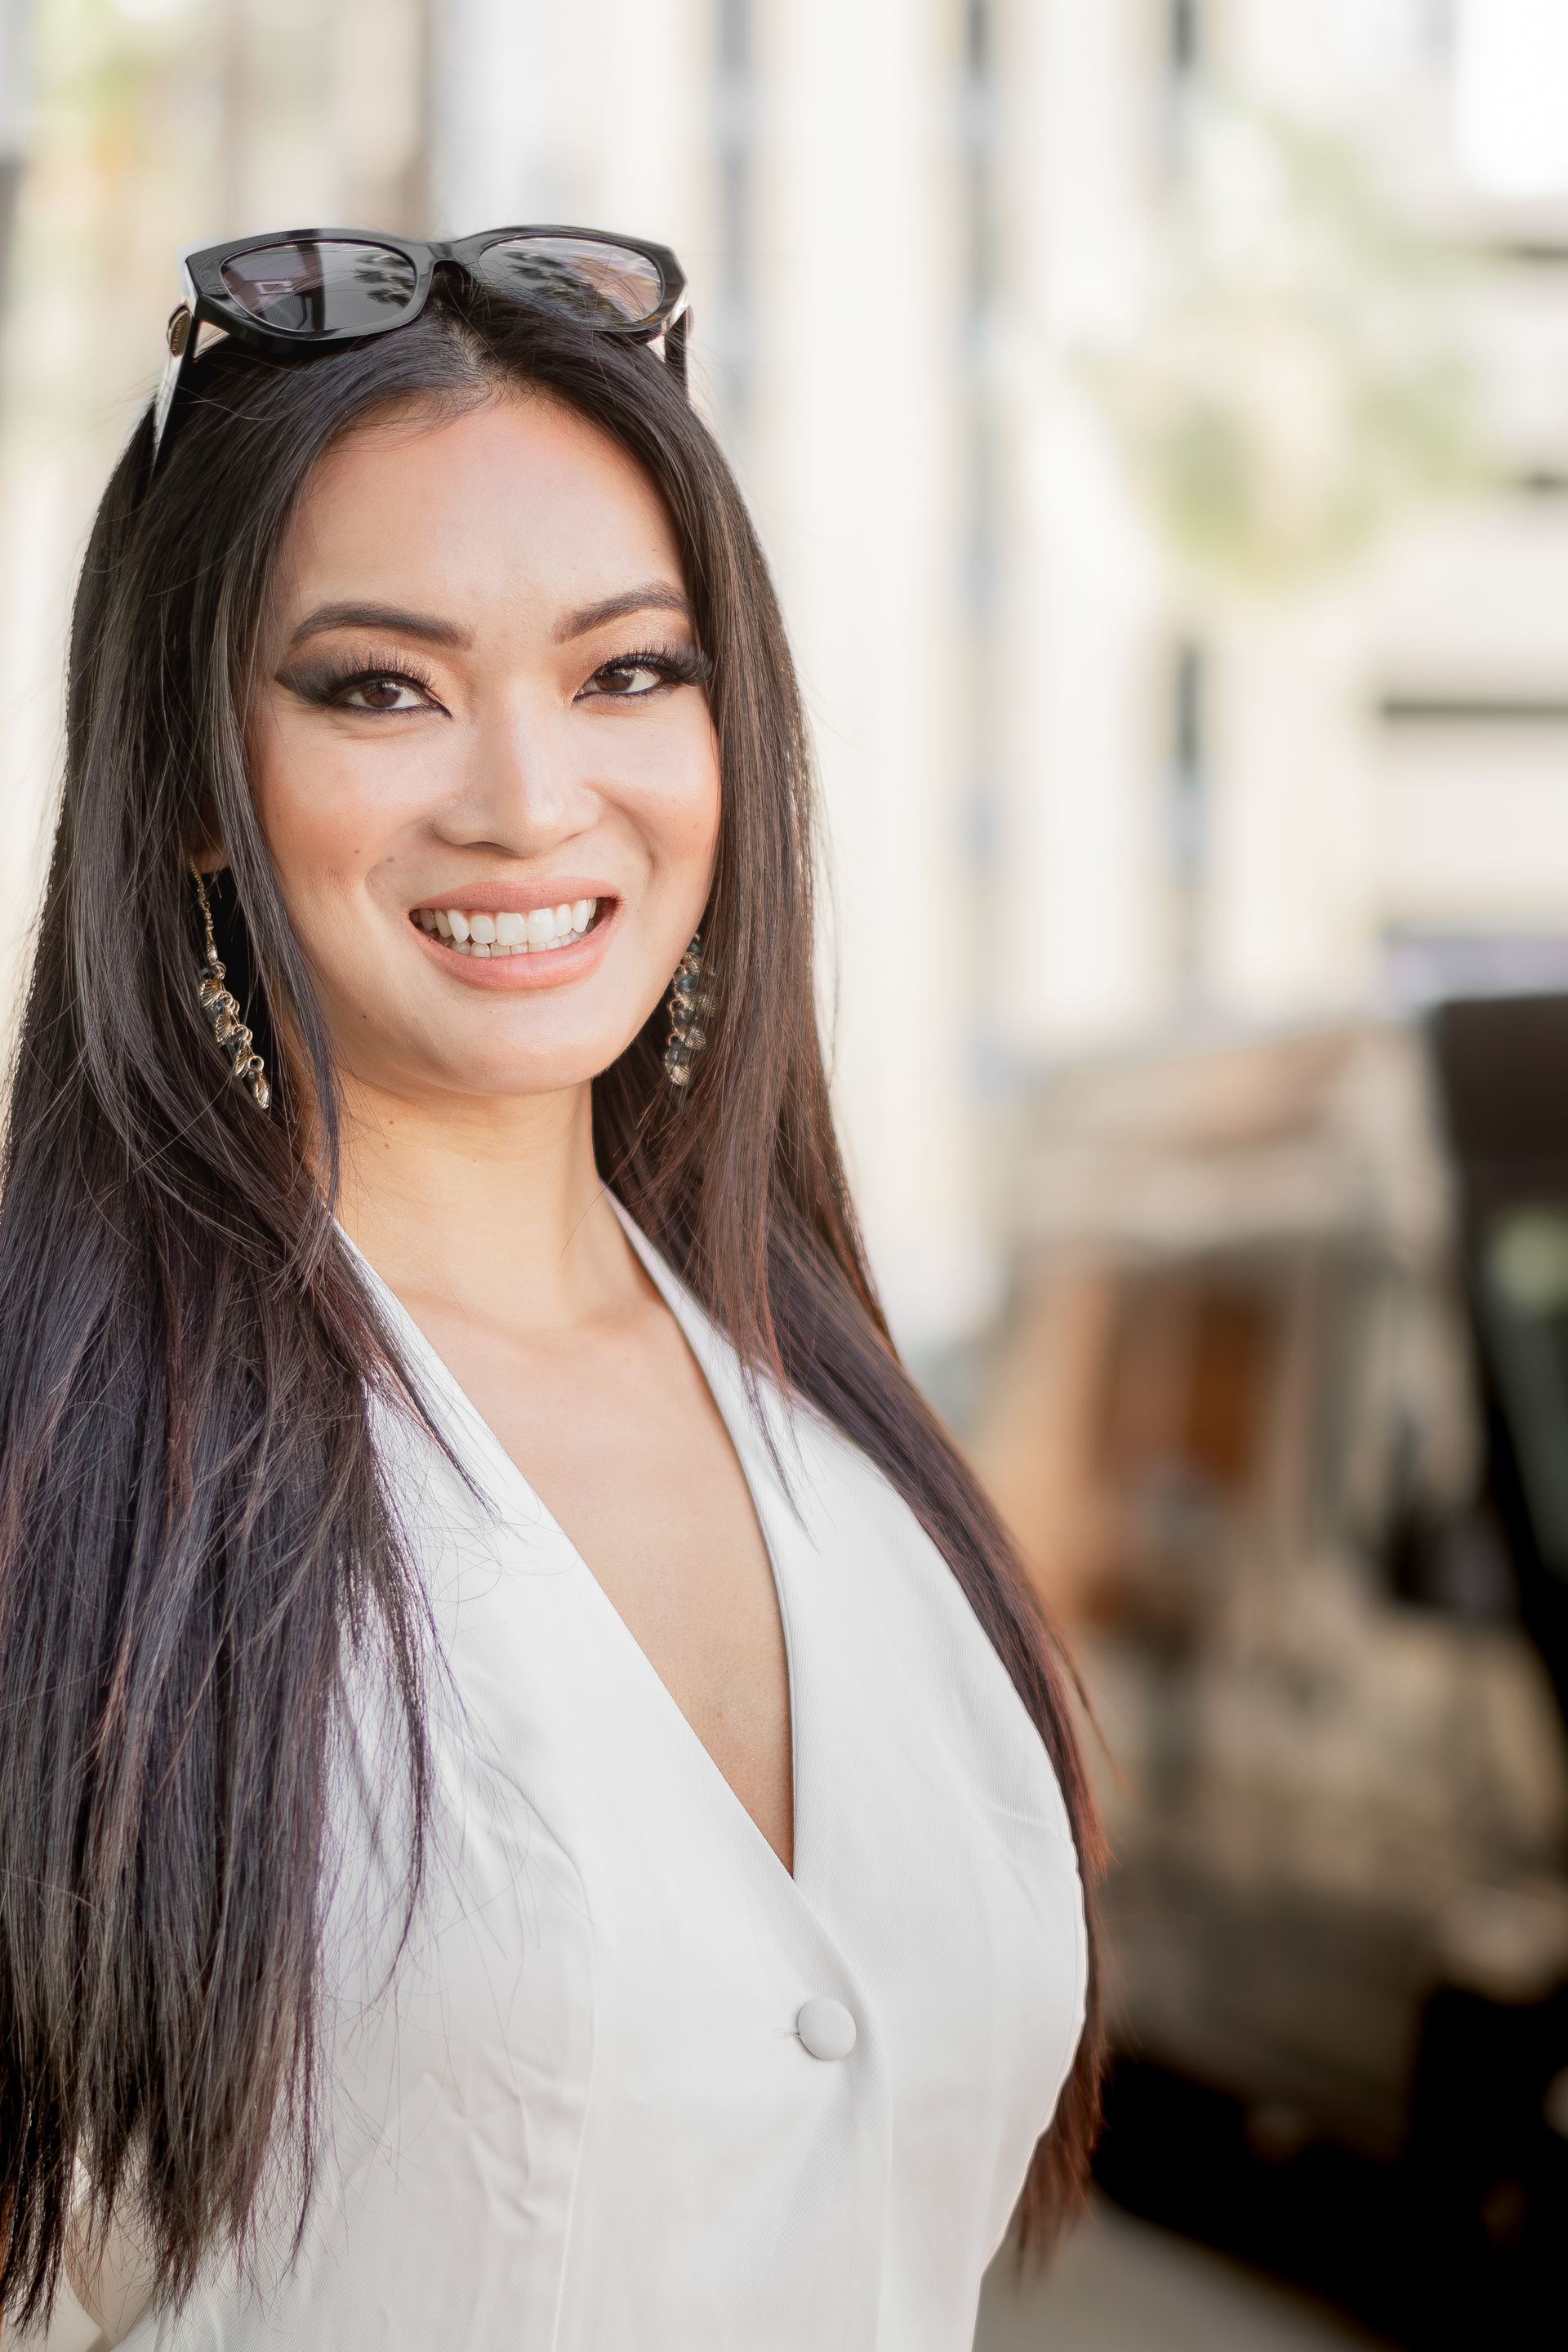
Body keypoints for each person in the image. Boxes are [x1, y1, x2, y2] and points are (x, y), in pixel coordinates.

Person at [0, 227, 1101, 2350]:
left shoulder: (849, 1436)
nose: (528, 800)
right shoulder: (67, 1482)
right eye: (380, 686)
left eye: (627, 673)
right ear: (198, 787)